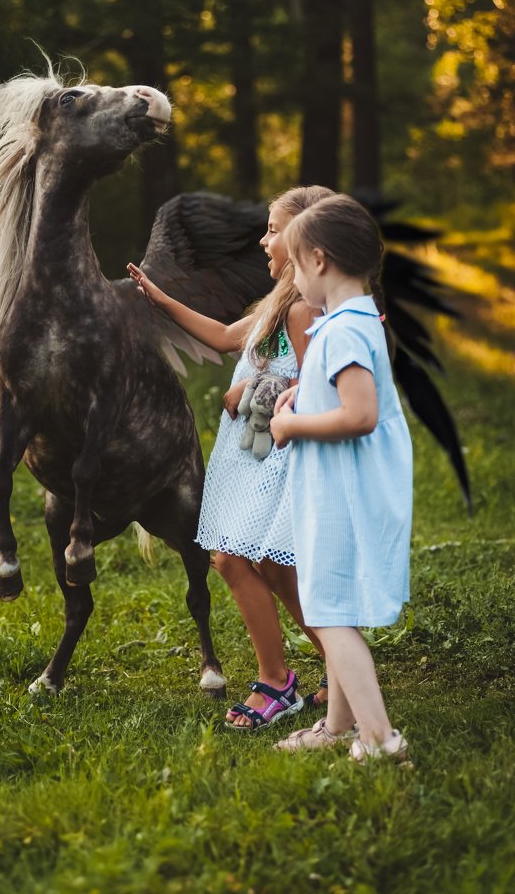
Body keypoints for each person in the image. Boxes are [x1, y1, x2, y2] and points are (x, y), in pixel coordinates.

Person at [127, 185, 334, 730]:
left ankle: (277, 682)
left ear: (304, 239)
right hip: (249, 453)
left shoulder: (304, 310)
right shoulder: (277, 303)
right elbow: (222, 338)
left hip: (277, 454)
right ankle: (336, 665)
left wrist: (253, 389)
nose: (264, 241)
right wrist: (158, 298)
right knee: (263, 564)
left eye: (272, 230)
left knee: (234, 559)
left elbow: (316, 385)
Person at [270, 194, 412, 762]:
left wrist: (291, 424)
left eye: (298, 265)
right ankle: (336, 726)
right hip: (341, 488)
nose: (296, 279)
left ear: (320, 261)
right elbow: (343, 395)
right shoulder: (350, 321)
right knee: (334, 604)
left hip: (344, 495)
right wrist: (301, 394)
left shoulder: (344, 330)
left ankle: (378, 737)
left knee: (328, 615)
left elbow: (359, 414)